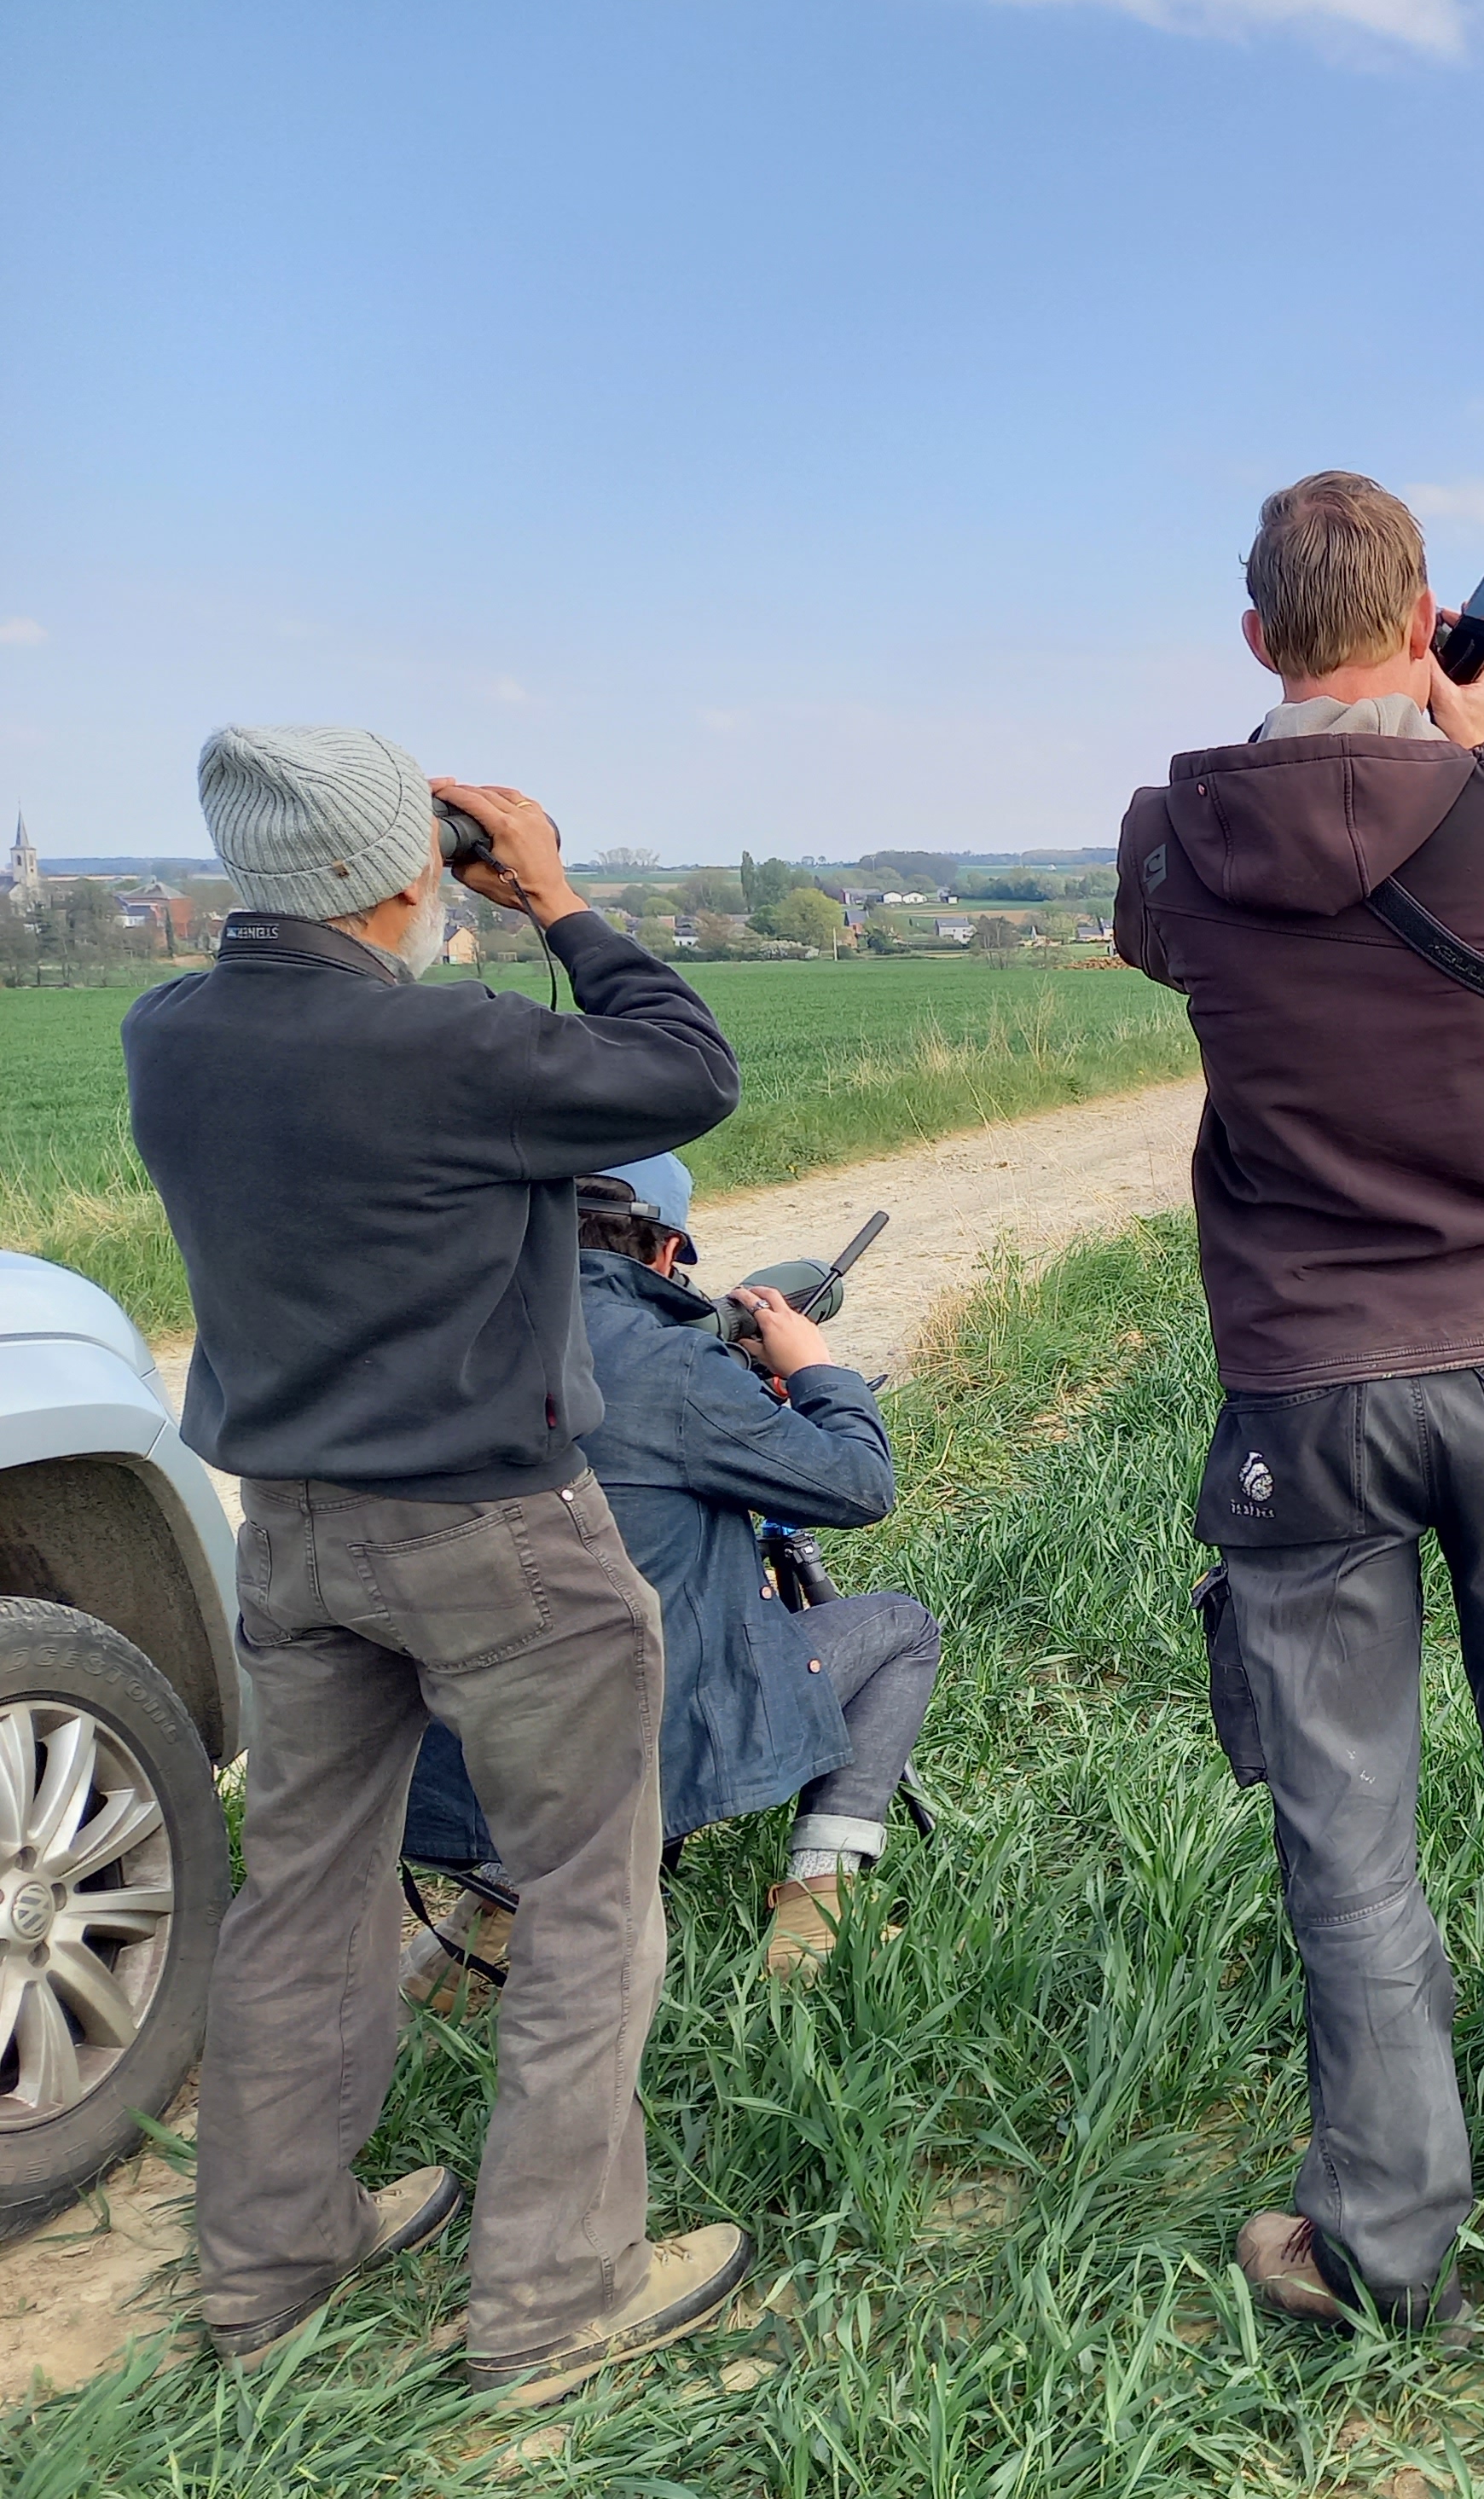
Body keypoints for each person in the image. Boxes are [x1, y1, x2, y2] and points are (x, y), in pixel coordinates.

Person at [122, 728, 751, 2404]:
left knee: (304, 1901)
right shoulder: (448, 1047)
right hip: (492, 1534)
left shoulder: (167, 1034)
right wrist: (551, 896)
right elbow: (686, 1069)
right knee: (586, 1902)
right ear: (404, 871)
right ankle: (555, 2302)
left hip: (296, 1532)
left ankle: (267, 2270)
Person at [1114, 472, 1484, 2334]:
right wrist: (1473, 755)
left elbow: (1165, 943)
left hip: (1304, 1392)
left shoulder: (1170, 836)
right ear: (1428, 619)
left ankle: (1383, 2235)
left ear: (1257, 637)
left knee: (1344, 1827)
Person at [399, 1151, 942, 1986]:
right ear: (664, 1251)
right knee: (901, 1629)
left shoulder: (433, 1344)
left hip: (465, 1733)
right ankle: (817, 1914)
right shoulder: (676, 1366)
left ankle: (499, 1907)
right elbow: (861, 1488)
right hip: (635, 1730)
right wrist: (816, 1371)